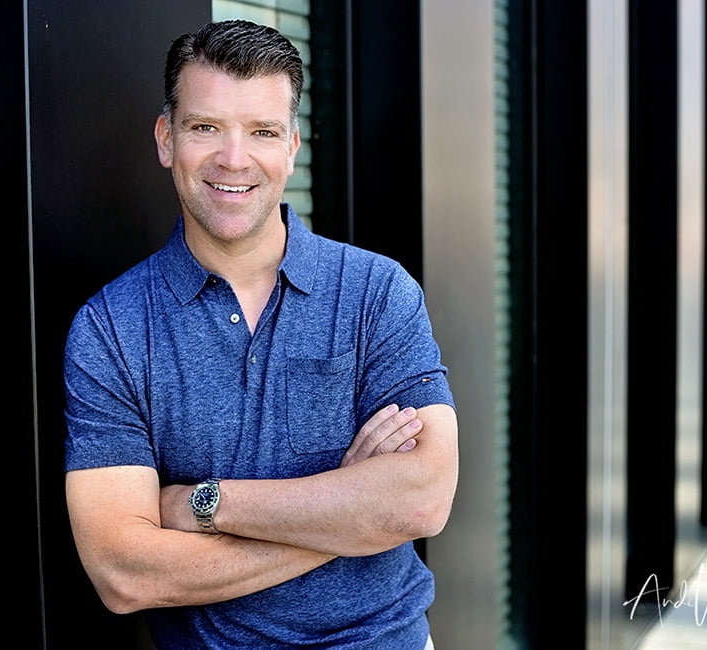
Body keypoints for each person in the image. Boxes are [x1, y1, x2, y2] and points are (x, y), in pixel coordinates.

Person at [63, 19, 458, 650]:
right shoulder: (110, 330)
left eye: (263, 132)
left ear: (293, 146)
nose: (234, 158)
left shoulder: (376, 292)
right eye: (205, 127)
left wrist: (202, 504)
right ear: (167, 139)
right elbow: (122, 573)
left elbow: (420, 502)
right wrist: (349, 515)